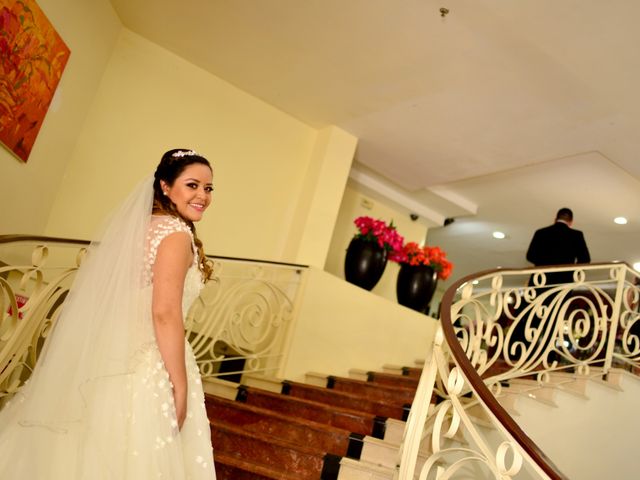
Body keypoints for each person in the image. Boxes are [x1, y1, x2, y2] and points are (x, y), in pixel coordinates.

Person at [0, 149, 217, 479]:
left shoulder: (141, 228)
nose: (202, 195)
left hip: (107, 355)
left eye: (208, 188)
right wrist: (180, 384)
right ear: (165, 186)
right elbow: (164, 313)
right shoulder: (175, 235)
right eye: (192, 185)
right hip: (148, 364)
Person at [526, 207, 591, 285]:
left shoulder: (540, 232)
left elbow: (530, 256)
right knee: (562, 298)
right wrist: (572, 274)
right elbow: (585, 259)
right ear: (571, 222)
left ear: (555, 220)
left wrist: (544, 263)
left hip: (540, 278)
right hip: (564, 280)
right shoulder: (576, 235)